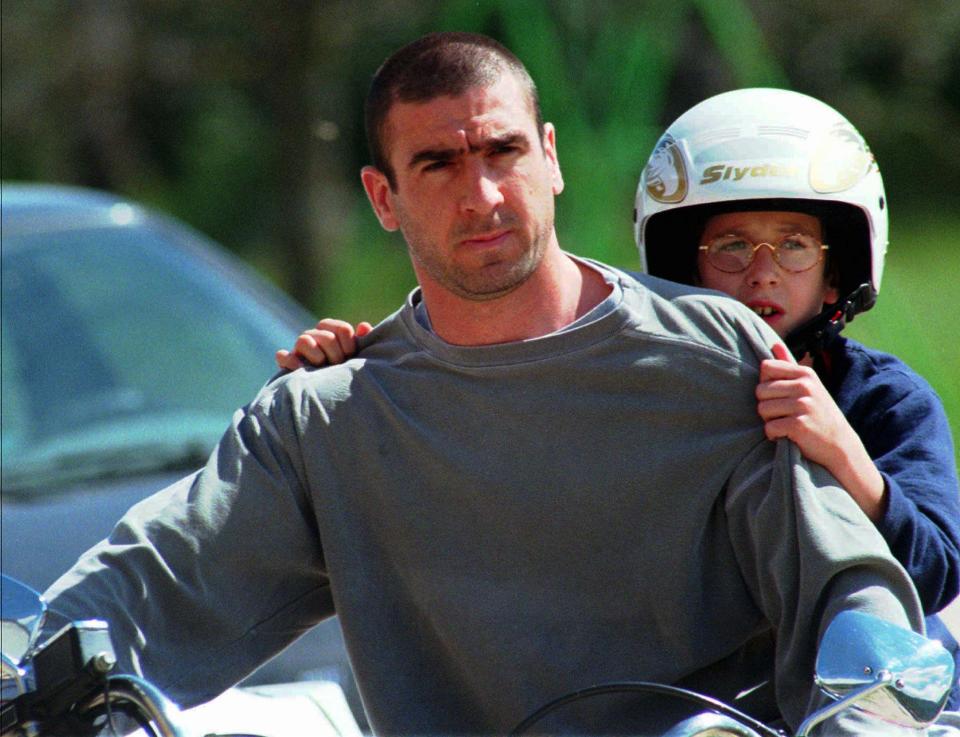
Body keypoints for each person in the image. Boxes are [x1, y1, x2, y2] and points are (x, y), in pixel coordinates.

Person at [45, 33, 928, 735]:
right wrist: (25, 660)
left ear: (550, 158)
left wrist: (875, 706)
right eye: (437, 163)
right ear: (382, 197)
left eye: (503, 150)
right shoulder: (328, 419)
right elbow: (156, 578)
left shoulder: (712, 353)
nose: (484, 195)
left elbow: (844, 582)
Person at [278, 87, 960, 710]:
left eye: (793, 246)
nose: (762, 272)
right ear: (680, 267)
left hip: (860, 701)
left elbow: (934, 576)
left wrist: (846, 455)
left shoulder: (885, 402)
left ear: (837, 272)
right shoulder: (642, 388)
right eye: (730, 245)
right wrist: (349, 375)